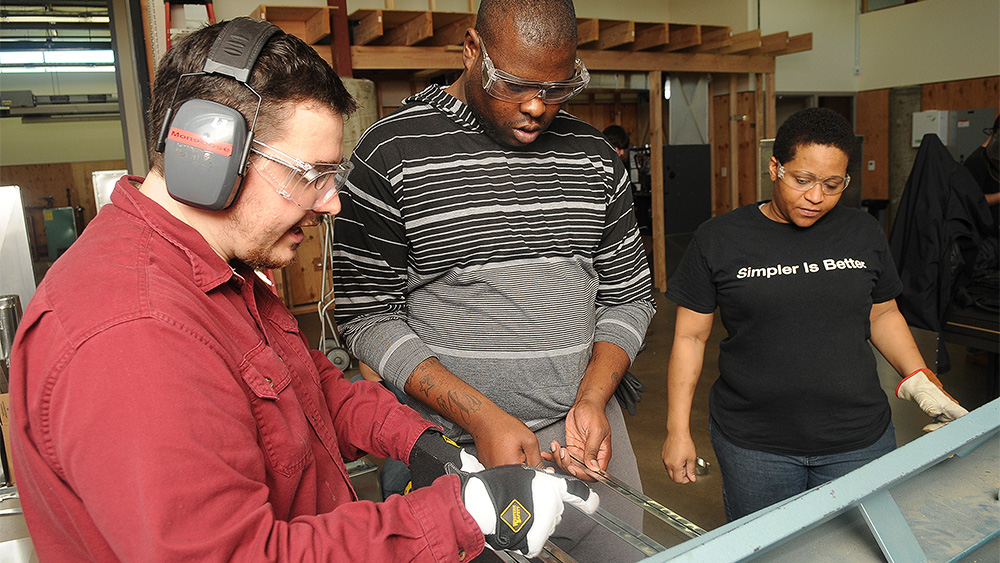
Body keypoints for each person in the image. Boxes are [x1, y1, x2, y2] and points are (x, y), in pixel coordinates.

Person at [7, 18, 597, 562]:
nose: (332, 201)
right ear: (209, 154)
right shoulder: (134, 337)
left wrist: (428, 446)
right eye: (309, 174)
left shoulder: (221, 273)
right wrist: (461, 513)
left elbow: (315, 389)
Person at [331, 0, 654, 559]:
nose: (536, 107)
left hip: (584, 434)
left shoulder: (595, 156)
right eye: (516, 85)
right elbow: (365, 317)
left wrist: (593, 401)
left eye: (557, 88)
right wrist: (481, 417)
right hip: (453, 443)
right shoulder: (391, 152)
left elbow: (629, 296)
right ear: (472, 49)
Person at [660, 107, 970, 522]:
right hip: (755, 445)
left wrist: (920, 380)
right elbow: (690, 338)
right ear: (775, 167)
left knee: (862, 549)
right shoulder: (720, 238)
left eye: (832, 184)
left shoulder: (861, 232)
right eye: (802, 180)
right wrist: (677, 430)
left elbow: (882, 314)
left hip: (858, 439)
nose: (815, 197)